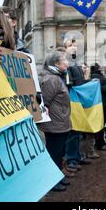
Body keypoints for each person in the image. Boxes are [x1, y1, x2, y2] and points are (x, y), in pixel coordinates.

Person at [38, 51, 71, 191]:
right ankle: (52, 182)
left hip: (59, 122)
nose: (67, 63)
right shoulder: (52, 79)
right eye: (65, 60)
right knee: (54, 153)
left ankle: (57, 177)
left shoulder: (56, 77)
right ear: (56, 63)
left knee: (58, 152)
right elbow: (44, 102)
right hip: (54, 124)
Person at [63, 39, 90, 171]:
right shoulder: (66, 63)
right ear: (65, 49)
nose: (73, 47)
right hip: (71, 101)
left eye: (74, 45)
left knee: (77, 131)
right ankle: (71, 159)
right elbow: (69, 83)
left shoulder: (76, 63)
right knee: (72, 132)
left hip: (78, 100)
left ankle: (77, 156)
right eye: (70, 45)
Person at [91, 63, 106, 150]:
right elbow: (102, 88)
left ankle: (100, 142)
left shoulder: (98, 76)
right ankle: (100, 143)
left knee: (102, 123)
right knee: (101, 124)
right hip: (101, 103)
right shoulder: (97, 77)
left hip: (101, 102)